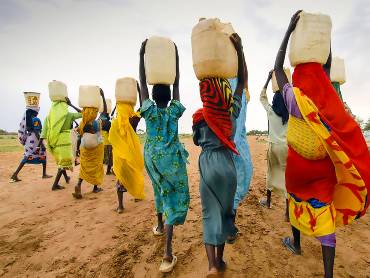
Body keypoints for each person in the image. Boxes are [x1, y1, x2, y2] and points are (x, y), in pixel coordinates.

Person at [275, 11, 370, 278]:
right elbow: (325, 70)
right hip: (322, 169)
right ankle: (328, 274)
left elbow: (277, 69)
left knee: (295, 202)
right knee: (323, 211)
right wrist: (325, 40)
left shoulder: (294, 98)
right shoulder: (327, 101)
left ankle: (296, 243)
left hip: (297, 167)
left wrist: (289, 31)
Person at [192, 33, 245, 277]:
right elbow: (242, 83)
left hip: (208, 166)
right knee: (224, 215)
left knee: (208, 214)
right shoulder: (231, 113)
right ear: (225, 93)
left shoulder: (200, 117)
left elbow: (196, 140)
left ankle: (212, 265)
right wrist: (240, 50)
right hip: (228, 166)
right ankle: (221, 261)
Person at [139, 39, 190, 273]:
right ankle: (168, 253)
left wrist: (141, 58)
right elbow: (177, 83)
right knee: (171, 198)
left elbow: (142, 85)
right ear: (169, 97)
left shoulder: (148, 111)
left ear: (152, 96)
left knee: (159, 189)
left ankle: (159, 225)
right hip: (171, 160)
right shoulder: (173, 111)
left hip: (152, 158)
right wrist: (176, 60)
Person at [109, 82, 145, 213]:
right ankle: (136, 195)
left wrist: (116, 104)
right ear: (130, 107)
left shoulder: (114, 123)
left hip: (120, 156)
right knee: (134, 174)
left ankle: (120, 206)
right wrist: (139, 90)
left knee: (121, 178)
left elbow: (112, 140)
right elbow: (143, 105)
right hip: (132, 154)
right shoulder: (134, 119)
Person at [228, 55, 253, 238]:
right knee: (236, 178)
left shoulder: (225, 82)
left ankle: (227, 225)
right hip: (232, 144)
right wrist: (240, 50)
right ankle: (229, 227)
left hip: (228, 143)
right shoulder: (236, 88)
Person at [259, 70, 289, 221]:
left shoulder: (271, 112)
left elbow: (262, 97)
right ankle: (287, 213)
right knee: (286, 178)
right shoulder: (290, 114)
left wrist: (267, 79)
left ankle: (268, 202)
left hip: (273, 146)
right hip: (286, 148)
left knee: (271, 173)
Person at [41, 95, 82, 190]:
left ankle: (66, 177)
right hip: (65, 142)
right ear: (65, 106)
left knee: (61, 162)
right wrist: (71, 105)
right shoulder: (68, 115)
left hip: (54, 142)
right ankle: (55, 185)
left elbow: (44, 130)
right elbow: (83, 113)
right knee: (63, 164)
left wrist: (41, 144)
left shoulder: (49, 117)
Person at [72, 90, 105, 199]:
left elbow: (82, 113)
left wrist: (70, 104)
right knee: (97, 167)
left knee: (84, 168)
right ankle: (95, 188)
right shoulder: (96, 123)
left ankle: (78, 185)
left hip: (84, 148)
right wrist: (103, 96)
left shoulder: (83, 123)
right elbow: (104, 111)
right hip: (96, 149)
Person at [10, 107, 52, 182]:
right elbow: (36, 132)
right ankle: (44, 174)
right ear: (34, 112)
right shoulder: (36, 119)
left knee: (27, 156)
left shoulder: (27, 120)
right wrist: (41, 144)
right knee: (42, 154)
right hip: (35, 140)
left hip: (29, 141)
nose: (38, 112)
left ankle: (15, 174)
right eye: (37, 111)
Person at [99, 90, 113, 175]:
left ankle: (101, 172)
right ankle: (108, 171)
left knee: (101, 159)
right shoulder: (107, 123)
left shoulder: (99, 120)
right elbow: (104, 108)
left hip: (100, 143)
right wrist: (103, 96)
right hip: (107, 142)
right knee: (110, 158)